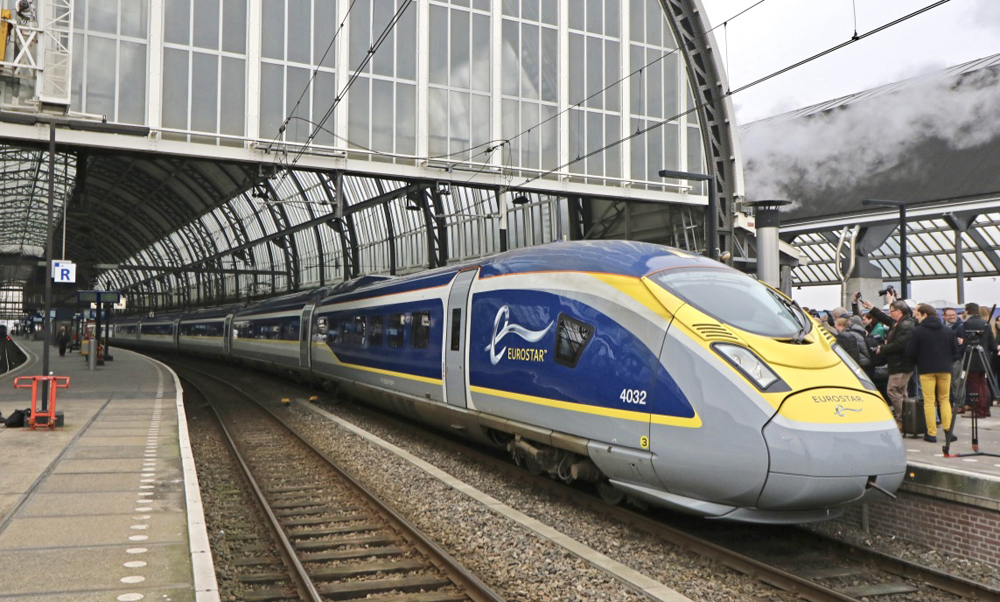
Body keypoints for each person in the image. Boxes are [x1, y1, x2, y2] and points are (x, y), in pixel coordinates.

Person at [905, 304, 959, 443]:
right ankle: (948, 431)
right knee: (944, 400)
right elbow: (955, 352)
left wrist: (919, 361)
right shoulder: (948, 331)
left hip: (926, 370)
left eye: (918, 315)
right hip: (945, 369)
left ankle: (931, 433)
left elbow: (910, 352)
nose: (916, 318)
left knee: (929, 401)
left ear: (925, 315)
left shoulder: (917, 332)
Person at [862, 296, 916, 431]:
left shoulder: (905, 325)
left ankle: (902, 419)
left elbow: (900, 344)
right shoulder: (900, 322)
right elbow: (886, 320)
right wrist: (872, 308)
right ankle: (907, 419)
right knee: (901, 392)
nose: (889, 313)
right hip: (900, 363)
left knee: (892, 390)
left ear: (899, 312)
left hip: (901, 364)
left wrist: (883, 348)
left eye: (891, 311)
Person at [960, 303, 996, 419]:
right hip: (984, 356)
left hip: (973, 356)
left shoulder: (967, 323)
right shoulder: (985, 323)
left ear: (967, 311)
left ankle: (979, 410)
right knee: (983, 383)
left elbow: (967, 340)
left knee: (974, 384)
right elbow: (992, 343)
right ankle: (985, 409)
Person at [942, 307, 967, 411]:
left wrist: (957, 353)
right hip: (946, 359)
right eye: (950, 315)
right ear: (944, 316)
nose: (952, 317)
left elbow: (963, 343)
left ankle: (959, 405)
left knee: (957, 382)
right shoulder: (943, 327)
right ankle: (954, 403)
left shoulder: (960, 327)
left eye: (953, 314)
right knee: (950, 383)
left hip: (956, 358)